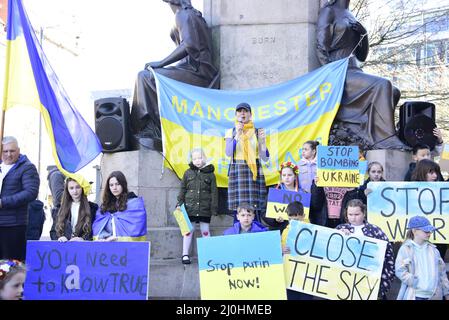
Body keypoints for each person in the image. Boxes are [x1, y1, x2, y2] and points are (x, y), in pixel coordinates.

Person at [316, 0, 405, 149]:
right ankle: (386, 138)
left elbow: (362, 56)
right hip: (339, 72)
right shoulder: (329, 11)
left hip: (354, 69)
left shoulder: (351, 15)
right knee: (383, 85)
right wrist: (332, 76)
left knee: (394, 92)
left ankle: (374, 135)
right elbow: (320, 47)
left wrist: (364, 34)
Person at [130, 0, 218, 149]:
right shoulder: (184, 14)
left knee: (145, 77)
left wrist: (161, 63)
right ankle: (152, 127)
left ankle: (148, 128)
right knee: (147, 76)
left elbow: (188, 45)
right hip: (189, 69)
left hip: (198, 73)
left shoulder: (184, 14)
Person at [336, 199, 395, 300]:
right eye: (350, 214)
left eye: (357, 214)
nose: (353, 218)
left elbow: (388, 255)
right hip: (346, 281)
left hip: (370, 281)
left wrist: (384, 282)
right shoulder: (340, 229)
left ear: (364, 213)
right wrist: (338, 236)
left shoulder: (375, 231)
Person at [225, 102, 269, 221]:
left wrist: (263, 142)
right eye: (240, 111)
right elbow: (228, 152)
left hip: (254, 172)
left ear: (250, 114)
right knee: (239, 210)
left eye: (245, 111)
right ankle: (238, 235)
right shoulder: (231, 131)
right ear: (235, 114)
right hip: (238, 171)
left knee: (254, 209)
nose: (242, 113)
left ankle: (254, 234)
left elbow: (265, 157)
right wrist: (237, 135)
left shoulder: (257, 131)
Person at [0, 136, 40, 261]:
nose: (8, 154)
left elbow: (30, 192)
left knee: (11, 266)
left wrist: (3, 203)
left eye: (12, 151)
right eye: (5, 151)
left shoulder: (27, 168)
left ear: (18, 150)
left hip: (13, 225)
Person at [176, 148, 218, 264]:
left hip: (205, 208)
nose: (197, 160)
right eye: (194, 158)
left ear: (204, 158)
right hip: (190, 208)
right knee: (188, 231)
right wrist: (179, 203)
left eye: (199, 158)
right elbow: (182, 189)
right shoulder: (187, 173)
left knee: (205, 231)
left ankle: (208, 255)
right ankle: (185, 254)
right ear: (191, 160)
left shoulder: (210, 174)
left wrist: (213, 208)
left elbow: (214, 192)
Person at [395, 216, 449, 300]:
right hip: (414, 296)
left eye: (430, 231)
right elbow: (399, 270)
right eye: (426, 231)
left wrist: (447, 293)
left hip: (434, 296)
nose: (429, 233)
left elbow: (442, 273)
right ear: (414, 231)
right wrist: (413, 281)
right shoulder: (405, 249)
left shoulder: (434, 251)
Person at [92, 171, 147, 241]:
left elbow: (137, 227)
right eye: (111, 185)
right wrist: (105, 237)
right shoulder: (105, 206)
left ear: (123, 184)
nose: (114, 188)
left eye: (117, 184)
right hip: (108, 246)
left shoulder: (135, 204)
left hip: (127, 249)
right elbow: (98, 226)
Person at [280, 201, 314, 300]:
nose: (293, 222)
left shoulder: (313, 230)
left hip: (306, 273)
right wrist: (281, 249)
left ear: (303, 216)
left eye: (296, 219)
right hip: (290, 272)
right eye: (290, 219)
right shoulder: (286, 231)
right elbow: (283, 249)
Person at [55, 177, 98, 242]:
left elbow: (95, 229)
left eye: (78, 187)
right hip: (64, 246)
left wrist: (83, 239)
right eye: (71, 188)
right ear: (67, 190)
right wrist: (60, 237)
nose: (75, 191)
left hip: (83, 248)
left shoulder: (92, 208)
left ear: (82, 188)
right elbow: (53, 231)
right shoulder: (59, 208)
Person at [265, 161, 303, 231]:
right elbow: (264, 211)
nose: (286, 177)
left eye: (289, 175)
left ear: (295, 176)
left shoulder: (302, 193)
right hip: (278, 230)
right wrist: (274, 219)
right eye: (284, 175)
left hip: (297, 230)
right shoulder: (274, 192)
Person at [47, 165, 65, 240]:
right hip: (60, 211)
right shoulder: (57, 175)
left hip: (61, 210)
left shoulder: (58, 174)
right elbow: (58, 197)